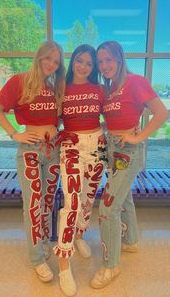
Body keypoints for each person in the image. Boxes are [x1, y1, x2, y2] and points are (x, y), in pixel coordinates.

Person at [91, 41, 169, 289]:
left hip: (127, 151)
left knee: (108, 206)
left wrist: (137, 137)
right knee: (123, 198)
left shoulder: (136, 82)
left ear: (120, 59)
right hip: (111, 149)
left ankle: (110, 266)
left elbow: (162, 113)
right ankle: (131, 241)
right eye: (100, 61)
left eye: (108, 60)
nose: (104, 66)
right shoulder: (110, 88)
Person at [0, 41, 66, 283]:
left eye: (56, 62)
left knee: (47, 200)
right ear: (39, 57)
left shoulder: (55, 86)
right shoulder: (19, 81)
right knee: (32, 204)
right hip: (30, 151)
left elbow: (61, 118)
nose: (51, 65)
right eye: (48, 59)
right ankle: (36, 259)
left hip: (53, 151)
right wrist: (15, 134)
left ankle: (43, 241)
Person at [53, 44, 107, 296]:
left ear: (93, 67)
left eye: (89, 63)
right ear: (72, 60)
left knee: (88, 197)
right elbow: (48, 116)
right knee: (71, 201)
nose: (83, 66)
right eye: (79, 60)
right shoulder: (61, 87)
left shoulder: (99, 89)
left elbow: (116, 114)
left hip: (97, 144)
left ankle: (79, 235)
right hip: (71, 145)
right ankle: (64, 263)